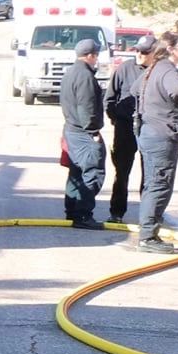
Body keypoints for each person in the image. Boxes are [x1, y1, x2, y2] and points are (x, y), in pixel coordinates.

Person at [135, 29, 178, 253]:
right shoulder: (167, 69)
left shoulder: (153, 68)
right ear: (171, 49)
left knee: (153, 184)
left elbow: (134, 89)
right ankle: (147, 237)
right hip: (161, 136)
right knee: (159, 185)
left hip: (149, 132)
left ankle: (149, 232)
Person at [103, 35, 153, 222]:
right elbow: (109, 98)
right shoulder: (125, 69)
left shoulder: (157, 71)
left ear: (153, 53)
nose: (140, 54)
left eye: (145, 52)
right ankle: (116, 213)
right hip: (125, 127)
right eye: (138, 50)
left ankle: (147, 216)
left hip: (149, 128)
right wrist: (116, 118)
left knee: (149, 174)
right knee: (122, 172)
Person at [60, 37, 107, 228]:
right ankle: (83, 216)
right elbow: (86, 107)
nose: (97, 59)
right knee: (93, 173)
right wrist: (94, 132)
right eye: (96, 55)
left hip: (71, 130)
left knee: (76, 172)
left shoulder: (70, 72)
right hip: (83, 133)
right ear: (89, 56)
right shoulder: (85, 77)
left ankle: (71, 211)